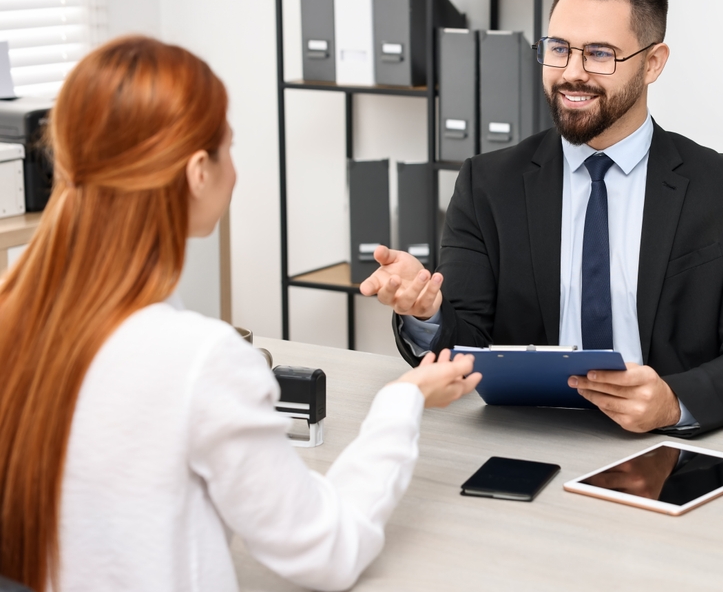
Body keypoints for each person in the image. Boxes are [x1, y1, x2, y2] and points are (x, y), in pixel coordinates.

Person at [0, 36, 481, 592]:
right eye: (227, 149)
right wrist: (404, 399)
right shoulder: (196, 358)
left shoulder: (17, 316)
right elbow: (326, 551)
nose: (234, 171)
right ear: (197, 172)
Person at [360, 0, 723, 437]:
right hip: (531, 439)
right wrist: (427, 311)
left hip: (667, 448)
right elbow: (467, 348)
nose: (572, 73)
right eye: (559, 48)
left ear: (652, 63)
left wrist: (673, 402)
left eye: (599, 53)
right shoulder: (488, 184)